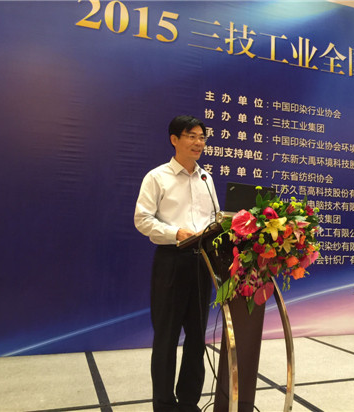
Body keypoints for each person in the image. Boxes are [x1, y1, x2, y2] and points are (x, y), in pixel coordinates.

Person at [134, 115, 219, 412]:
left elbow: (214, 217)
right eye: (191, 136)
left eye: (202, 137)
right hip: (172, 261)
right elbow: (142, 220)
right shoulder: (157, 177)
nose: (198, 143)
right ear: (174, 139)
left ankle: (189, 402)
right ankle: (164, 404)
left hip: (202, 263)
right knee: (167, 337)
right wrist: (175, 233)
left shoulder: (207, 179)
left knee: (197, 338)